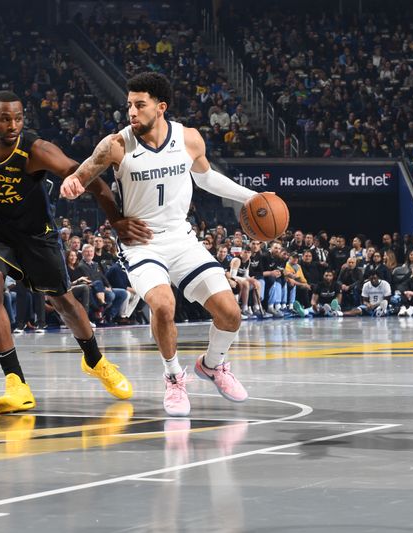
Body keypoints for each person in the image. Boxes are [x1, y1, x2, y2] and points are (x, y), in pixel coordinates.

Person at [60, 72, 267, 416]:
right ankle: (173, 378)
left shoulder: (189, 139)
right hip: (142, 244)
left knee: (231, 313)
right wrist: (72, 182)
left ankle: (212, 365)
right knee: (163, 304)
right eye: (129, 105)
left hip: (182, 239)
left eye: (139, 105)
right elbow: (83, 174)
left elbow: (206, 178)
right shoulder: (116, 144)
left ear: (161, 107)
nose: (131, 112)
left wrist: (251, 197)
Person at [0, 90, 143, 414]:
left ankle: (95, 360)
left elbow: (90, 179)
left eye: (18, 118)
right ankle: (16, 382)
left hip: (35, 233)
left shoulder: (36, 151)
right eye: (4, 118)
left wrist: (116, 220)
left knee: (64, 302)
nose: (13, 125)